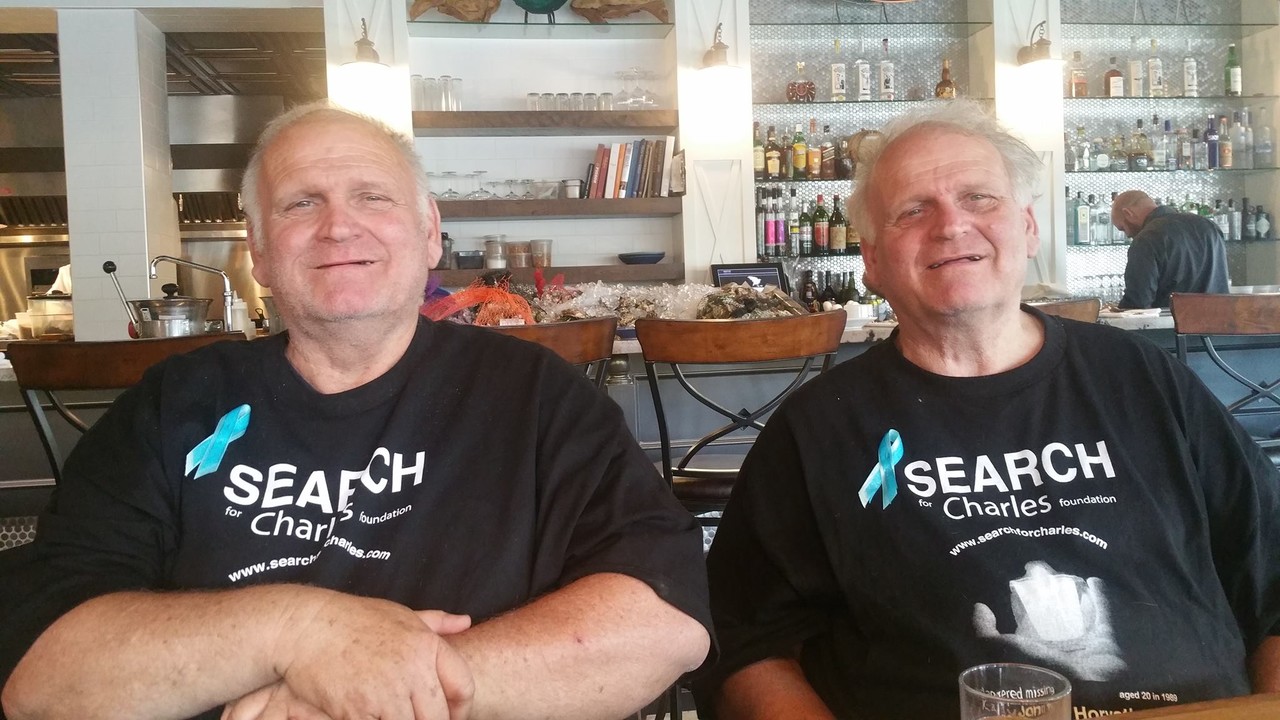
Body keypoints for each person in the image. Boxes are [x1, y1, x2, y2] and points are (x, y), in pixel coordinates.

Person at [0, 102, 711, 720]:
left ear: (429, 233)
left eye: (373, 197)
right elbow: (40, 675)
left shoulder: (537, 396)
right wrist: (295, 630)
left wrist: (383, 689)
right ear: (258, 253)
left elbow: (664, 621)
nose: (339, 227)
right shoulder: (173, 404)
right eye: (300, 204)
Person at [693, 100, 1280, 720]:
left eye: (979, 198)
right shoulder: (820, 427)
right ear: (871, 260)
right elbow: (744, 643)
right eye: (912, 210)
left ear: (1027, 228)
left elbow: (1271, 584)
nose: (951, 225)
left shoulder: (1147, 381)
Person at [1111, 190, 1229, 309]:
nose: (1127, 235)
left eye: (1123, 228)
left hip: (1171, 319)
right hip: (1221, 317)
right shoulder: (1209, 226)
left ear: (1128, 213)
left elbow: (1138, 302)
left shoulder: (1147, 238)